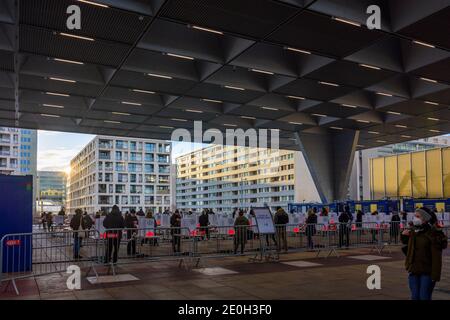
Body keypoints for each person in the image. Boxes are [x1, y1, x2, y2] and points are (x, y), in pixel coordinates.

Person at [401, 207, 448, 300]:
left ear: (425, 219)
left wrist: (435, 274)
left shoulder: (433, 233)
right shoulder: (414, 231)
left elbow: (439, 250)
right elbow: (407, 244)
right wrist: (403, 235)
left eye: (417, 216)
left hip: (427, 271)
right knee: (415, 296)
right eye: (414, 216)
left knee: (424, 297)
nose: (415, 218)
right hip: (414, 270)